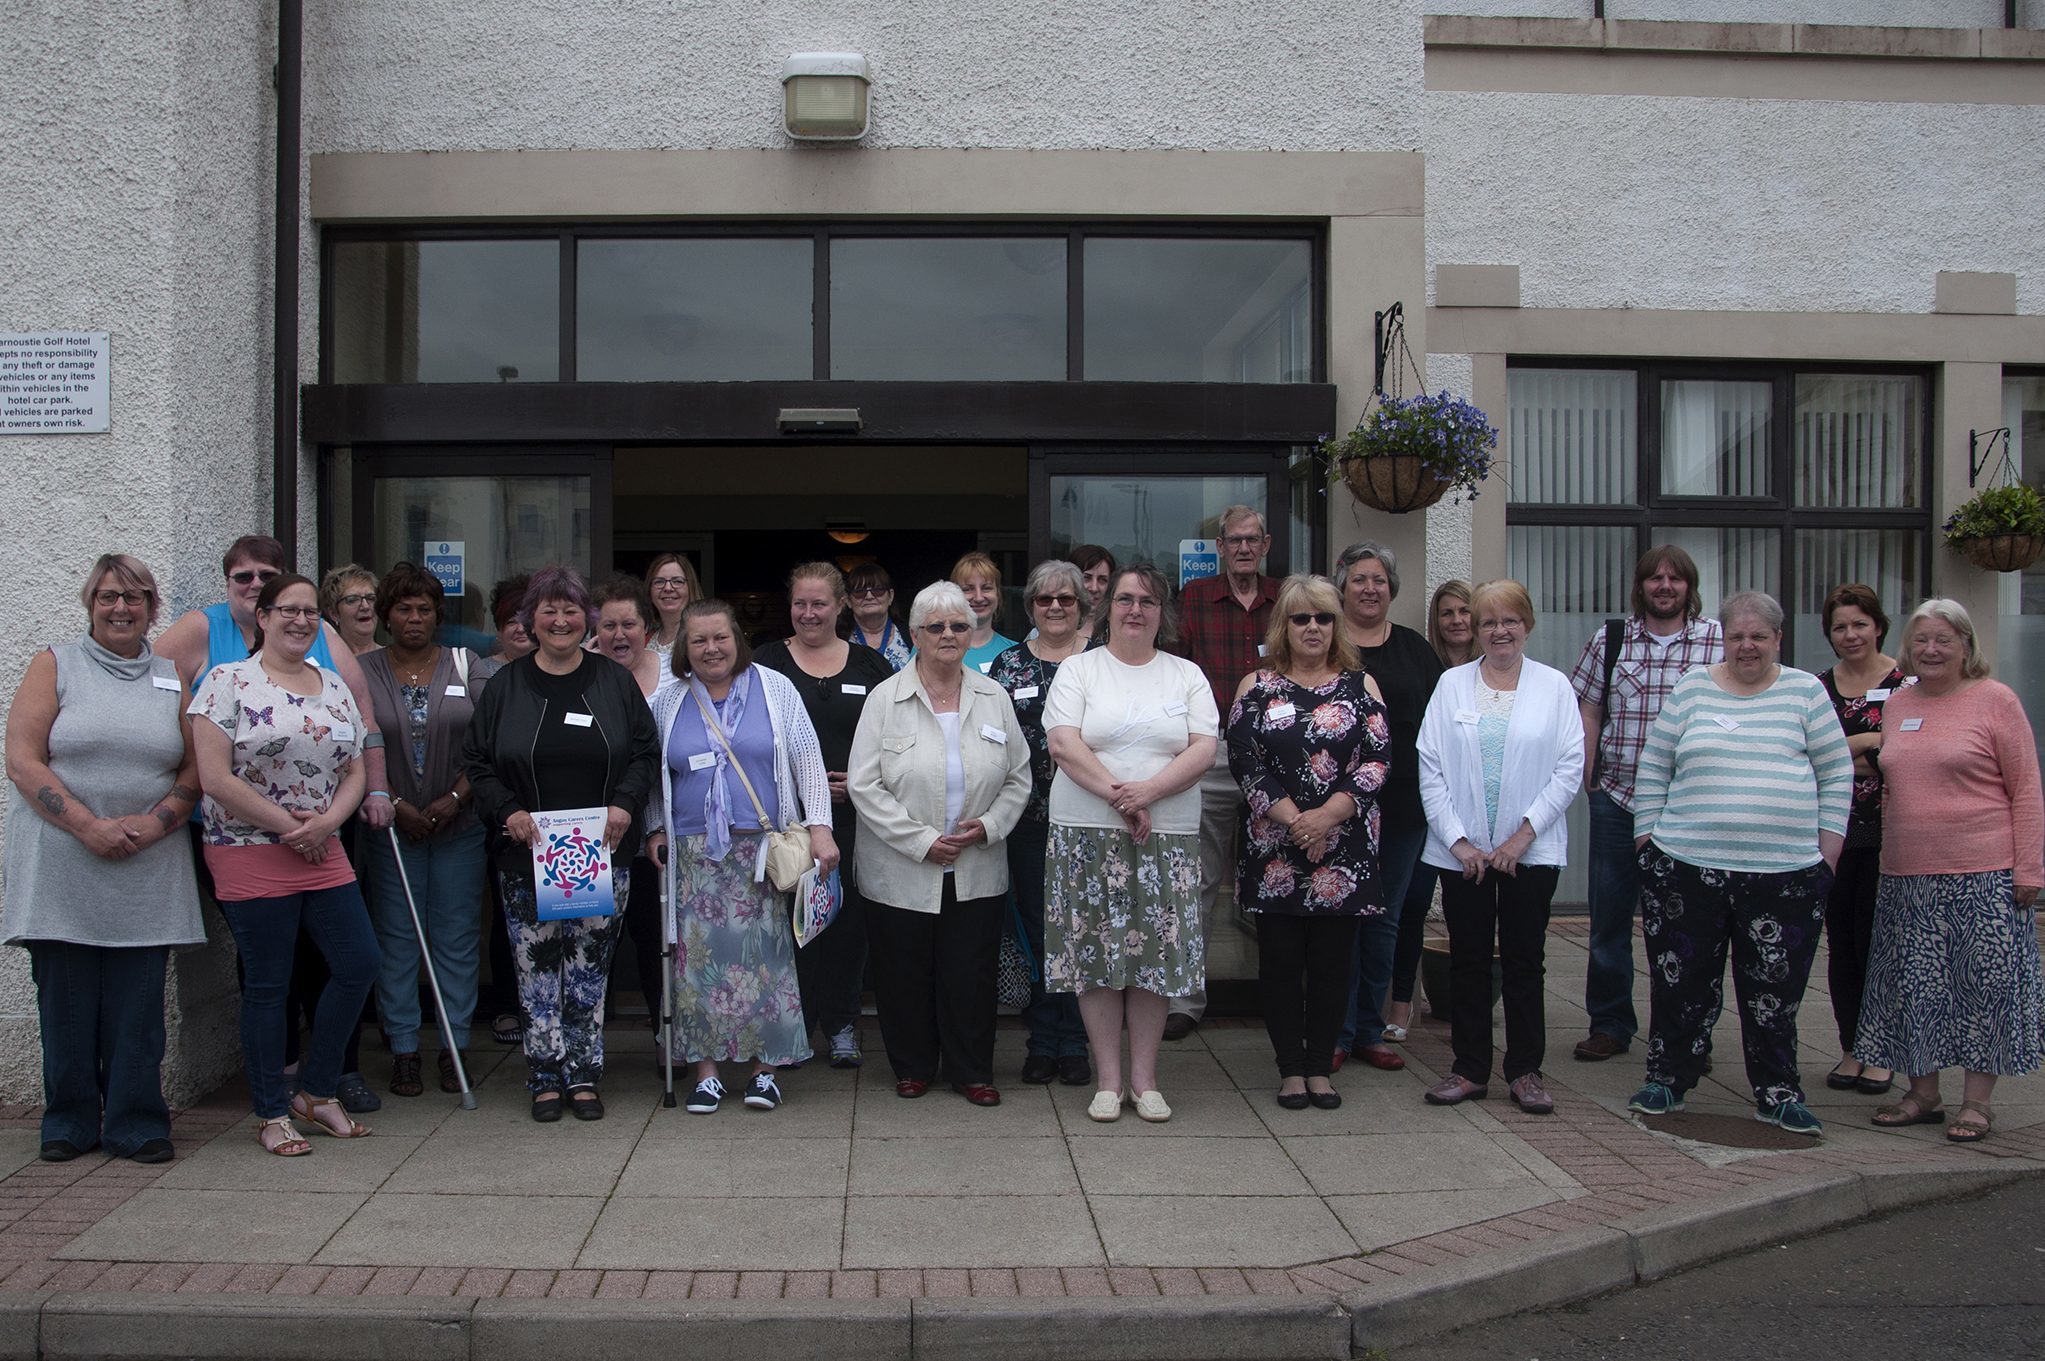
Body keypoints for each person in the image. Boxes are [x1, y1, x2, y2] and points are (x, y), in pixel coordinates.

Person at [158, 535, 394, 1110]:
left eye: (309, 611)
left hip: (322, 846)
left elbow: (356, 763)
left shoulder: (333, 682)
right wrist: (293, 827)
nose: (299, 620)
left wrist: (329, 823)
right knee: (269, 983)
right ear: (262, 617)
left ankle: (316, 1089)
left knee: (359, 962)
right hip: (248, 847)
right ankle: (270, 1110)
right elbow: (215, 777)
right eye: (286, 610)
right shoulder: (227, 681)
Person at [3, 555, 206, 1164]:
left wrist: (161, 818)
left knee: (138, 1008)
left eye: (135, 597)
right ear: (90, 602)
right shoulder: (54, 664)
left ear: (151, 607)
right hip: (65, 859)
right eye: (109, 597)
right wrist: (87, 825)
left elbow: (196, 767)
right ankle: (67, 1120)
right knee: (66, 1005)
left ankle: (137, 1121)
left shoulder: (172, 674)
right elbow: (23, 759)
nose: (122, 608)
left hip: (148, 864)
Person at [1625, 591, 1851, 1137]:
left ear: (1778, 639)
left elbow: (1837, 772)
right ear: (1721, 639)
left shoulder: (1806, 693)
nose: (1746, 646)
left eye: (1758, 636)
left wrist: (1826, 855)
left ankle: (1778, 1092)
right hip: (1685, 868)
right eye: (1735, 636)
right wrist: (1647, 843)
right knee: (1680, 983)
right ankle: (1668, 1080)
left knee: (1774, 992)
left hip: (1786, 876)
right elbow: (1654, 768)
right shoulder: (1692, 690)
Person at [461, 566, 659, 1122]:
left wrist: (625, 802)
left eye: (570, 610)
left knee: (590, 964)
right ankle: (544, 1072)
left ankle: (583, 1071)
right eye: (548, 610)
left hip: (602, 849)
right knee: (537, 963)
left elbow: (645, 751)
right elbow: (475, 761)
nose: (560, 619)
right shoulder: (505, 686)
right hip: (527, 853)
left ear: (585, 619)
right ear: (530, 620)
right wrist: (508, 810)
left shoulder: (613, 682)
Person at [1859, 599, 2044, 1144]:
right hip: (1906, 873)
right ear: (1907, 649)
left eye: (1943, 640)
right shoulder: (1898, 705)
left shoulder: (1995, 701)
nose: (1931, 650)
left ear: (1966, 646)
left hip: (1984, 872)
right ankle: (1923, 1093)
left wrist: (2030, 867)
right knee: (1916, 987)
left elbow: (2027, 789)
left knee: (1979, 988)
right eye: (1921, 641)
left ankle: (1977, 1103)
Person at [648, 600, 839, 1114]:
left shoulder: (776, 688)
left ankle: (764, 1070)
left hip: (762, 850)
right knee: (696, 965)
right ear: (684, 651)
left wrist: (821, 830)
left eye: (720, 638)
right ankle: (706, 1072)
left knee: (766, 961)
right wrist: (653, 830)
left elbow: (808, 762)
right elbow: (652, 777)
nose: (711, 649)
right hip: (693, 857)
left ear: (738, 639)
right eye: (698, 641)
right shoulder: (668, 701)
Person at [1045, 564, 1219, 1123]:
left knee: (1153, 958)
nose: (1134, 609)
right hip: (1086, 833)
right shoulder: (1079, 670)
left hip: (1166, 837)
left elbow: (1202, 750)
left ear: (1161, 612)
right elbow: (1064, 745)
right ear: (1106, 608)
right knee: (1096, 957)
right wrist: (1124, 798)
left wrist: (1148, 791)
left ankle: (1144, 1081)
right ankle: (1107, 1081)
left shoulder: (1186, 675)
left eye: (1146, 600)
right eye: (1124, 598)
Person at [849, 582, 1032, 1106]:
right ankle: (912, 1067)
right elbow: (864, 784)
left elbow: (1019, 777)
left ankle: (972, 1071)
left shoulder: (993, 696)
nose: (949, 635)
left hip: (977, 863)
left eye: (959, 626)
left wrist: (991, 826)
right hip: (899, 865)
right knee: (902, 972)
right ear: (915, 635)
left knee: (969, 973)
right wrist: (923, 840)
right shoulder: (885, 698)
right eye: (936, 627)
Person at [1414, 580, 1583, 1112]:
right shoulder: (1451, 685)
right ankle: (1468, 1069)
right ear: (1477, 631)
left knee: (1523, 961)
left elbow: (1569, 767)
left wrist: (1521, 837)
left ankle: (1525, 1071)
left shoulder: (1554, 686)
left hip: (1529, 853)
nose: (1499, 630)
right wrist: (1459, 841)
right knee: (1467, 961)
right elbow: (1431, 767)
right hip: (1462, 855)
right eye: (1489, 622)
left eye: (1510, 620)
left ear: (1527, 624)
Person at [1227, 574, 1388, 1111]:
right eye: (1301, 618)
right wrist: (1300, 821)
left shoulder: (1360, 685)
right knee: (1277, 963)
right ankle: (1290, 1070)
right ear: (1284, 626)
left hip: (1341, 847)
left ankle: (1320, 1067)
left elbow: (1376, 762)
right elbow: (1243, 761)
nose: (1313, 627)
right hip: (1274, 847)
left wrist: (1326, 819)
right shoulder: (1255, 685)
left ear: (1336, 625)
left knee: (1331, 966)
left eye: (1323, 617)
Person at [1568, 545, 1723, 1063]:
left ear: (1688, 586)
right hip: (1617, 798)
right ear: (1640, 586)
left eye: (1674, 578)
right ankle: (1610, 1023)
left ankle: (1679, 1029)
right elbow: (1588, 707)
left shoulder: (1716, 641)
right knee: (1609, 920)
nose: (1664, 585)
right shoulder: (1611, 640)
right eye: (1654, 577)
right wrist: (1587, 775)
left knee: (1685, 923)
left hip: (1689, 803)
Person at [356, 563, 498, 1098]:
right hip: (389, 828)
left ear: (439, 614)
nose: (414, 618)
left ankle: (453, 1044)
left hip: (459, 825)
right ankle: (403, 1049)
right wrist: (392, 802)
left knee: (457, 940)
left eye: (424, 608)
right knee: (396, 940)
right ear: (386, 616)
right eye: (403, 609)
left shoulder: (469, 665)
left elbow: (489, 742)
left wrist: (456, 797)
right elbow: (353, 741)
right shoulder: (362, 670)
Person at [756, 562, 894, 1068]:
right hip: (785, 826)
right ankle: (793, 1026)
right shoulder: (764, 664)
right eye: (800, 603)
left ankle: (840, 1025)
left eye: (819, 604)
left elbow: (895, 742)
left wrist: (858, 785)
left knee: (846, 927)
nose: (808, 613)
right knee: (787, 928)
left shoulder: (870, 668)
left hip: (857, 823)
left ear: (841, 606)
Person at [1332, 542, 1442, 1073]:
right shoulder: (1325, 646)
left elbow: (1441, 728)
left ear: (1391, 589)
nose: (1370, 588)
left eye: (1378, 579)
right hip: (1333, 810)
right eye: (1359, 579)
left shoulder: (1416, 651)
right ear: (1342, 588)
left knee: (1384, 920)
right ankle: (1335, 1029)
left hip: (1401, 807)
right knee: (1338, 922)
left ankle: (1368, 1030)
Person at [1171, 506, 1279, 1040]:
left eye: (1251, 540)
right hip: (1210, 754)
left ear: (1265, 545)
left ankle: (1280, 997)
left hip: (1276, 756)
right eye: (1233, 540)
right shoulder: (1193, 599)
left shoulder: (1287, 601)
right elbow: (1174, 673)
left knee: (1280, 879)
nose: (1242, 548)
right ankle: (1185, 1002)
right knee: (1200, 880)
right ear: (1219, 546)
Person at [988, 561, 1095, 1086]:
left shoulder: (1102, 663)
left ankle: (1076, 1043)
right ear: (1030, 606)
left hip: (1094, 822)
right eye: (1045, 599)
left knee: (1083, 930)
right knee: (1040, 931)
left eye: (1067, 599)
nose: (1056, 607)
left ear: (1082, 606)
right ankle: (1042, 1041)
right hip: (1029, 824)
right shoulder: (1007, 666)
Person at [1814, 583, 1905, 1097]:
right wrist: (1870, 742)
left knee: (1876, 945)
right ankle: (1850, 1049)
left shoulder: (1906, 684)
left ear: (1878, 625)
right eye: (1840, 627)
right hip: (1833, 834)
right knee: (1841, 947)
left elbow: (1902, 752)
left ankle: (1880, 1053)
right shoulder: (1818, 687)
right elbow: (1814, 755)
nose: (1850, 635)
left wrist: (1858, 750)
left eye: (1859, 624)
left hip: (1890, 834)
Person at [585, 575, 670, 1058]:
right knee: (592, 944)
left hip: (655, 838)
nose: (620, 635)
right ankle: (584, 1045)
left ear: (647, 626)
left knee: (655, 940)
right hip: (594, 838)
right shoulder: (581, 674)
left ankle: (666, 1037)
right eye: (609, 625)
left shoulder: (676, 677)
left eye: (629, 624)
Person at [480, 572, 534, 1050]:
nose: (518, 627)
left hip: (560, 823)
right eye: (508, 620)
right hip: (501, 818)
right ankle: (506, 1005)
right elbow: (476, 752)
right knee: (507, 917)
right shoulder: (485, 675)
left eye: (525, 617)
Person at [951, 551, 1017, 674]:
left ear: (998, 594)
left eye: (986, 588)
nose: (979, 598)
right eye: (968, 589)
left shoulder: (1015, 652)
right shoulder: (931, 648)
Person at [847, 562, 911, 672]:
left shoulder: (911, 635)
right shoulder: (837, 637)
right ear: (848, 601)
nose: (869, 596)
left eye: (877, 590)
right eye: (859, 592)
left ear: (890, 596)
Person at [643, 552, 702, 659]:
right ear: (649, 590)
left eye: (677, 581)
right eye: (659, 582)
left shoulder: (703, 636)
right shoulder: (643, 640)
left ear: (691, 588)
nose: (668, 588)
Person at [320, 564, 381, 656]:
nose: (365, 606)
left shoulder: (394, 660)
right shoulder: (324, 662)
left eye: (371, 598)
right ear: (334, 614)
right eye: (352, 600)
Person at [1071, 544, 1118, 642]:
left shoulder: (1120, 633)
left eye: (1102, 580)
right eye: (1086, 578)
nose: (1094, 588)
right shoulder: (1045, 633)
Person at [488, 574, 535, 665]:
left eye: (526, 620)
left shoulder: (560, 669)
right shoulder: (481, 670)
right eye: (511, 622)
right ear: (498, 630)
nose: (520, 629)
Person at [1428, 579, 1475, 668]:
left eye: (1464, 611)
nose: (1456, 621)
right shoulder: (1423, 665)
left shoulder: (1494, 665)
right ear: (1436, 619)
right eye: (1447, 613)